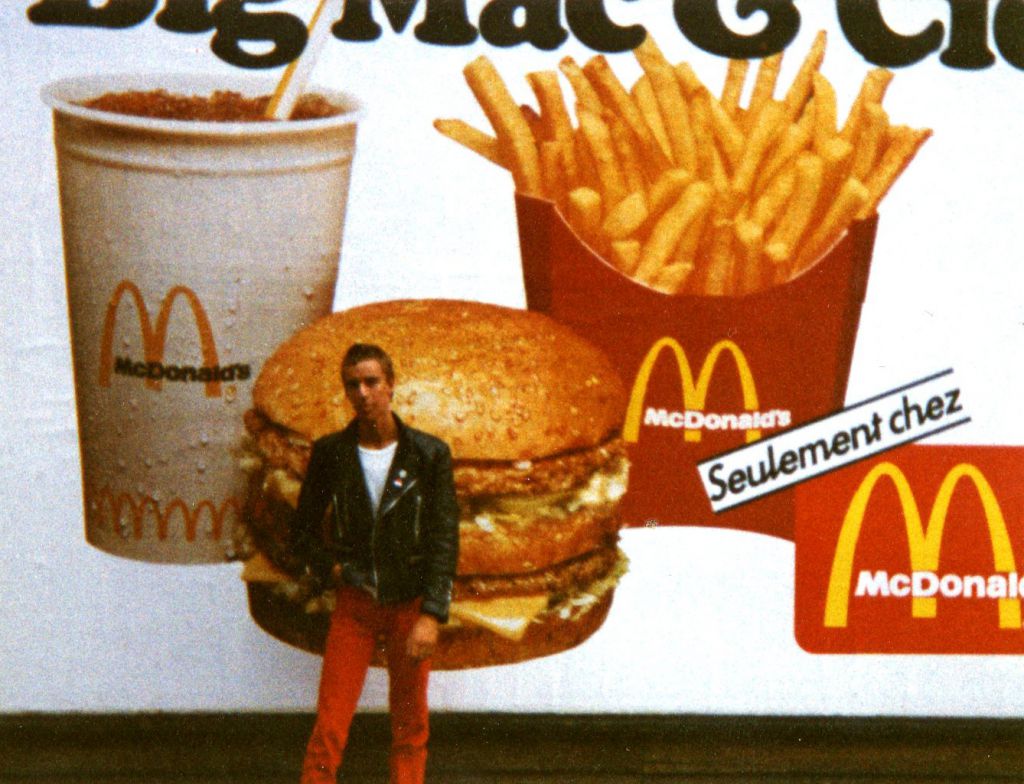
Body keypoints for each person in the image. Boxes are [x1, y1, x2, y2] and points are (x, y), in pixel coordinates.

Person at [292, 343, 459, 784]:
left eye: (371, 382)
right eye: (353, 385)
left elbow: (444, 539)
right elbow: (301, 532)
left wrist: (432, 614)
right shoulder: (331, 452)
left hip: (409, 604)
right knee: (330, 722)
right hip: (355, 604)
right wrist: (332, 571)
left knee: (410, 723)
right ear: (345, 392)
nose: (363, 393)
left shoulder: (429, 454)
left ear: (391, 385)